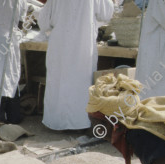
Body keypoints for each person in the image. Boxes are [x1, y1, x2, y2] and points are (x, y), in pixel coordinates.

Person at [38, 0, 113, 131]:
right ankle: (80, 123)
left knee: (59, 82)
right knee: (80, 83)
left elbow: (44, 22)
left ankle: (57, 122)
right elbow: (106, 14)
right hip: (82, 44)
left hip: (61, 43)